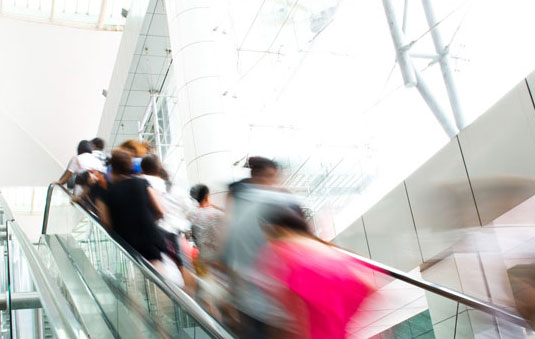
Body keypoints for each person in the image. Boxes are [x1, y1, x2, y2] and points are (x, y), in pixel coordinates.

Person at [256, 205, 376, 339]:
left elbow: (293, 310)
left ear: (278, 228)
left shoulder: (283, 253)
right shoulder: (327, 250)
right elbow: (367, 284)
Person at [222, 156, 299, 338]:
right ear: (263, 176)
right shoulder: (278, 201)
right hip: (277, 308)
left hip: (248, 305)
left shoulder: (237, 213)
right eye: (273, 177)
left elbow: (228, 256)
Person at [96, 150, 166, 268]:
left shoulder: (105, 193)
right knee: (158, 275)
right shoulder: (142, 183)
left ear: (112, 169)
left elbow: (106, 223)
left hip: (126, 244)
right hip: (150, 238)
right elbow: (160, 210)